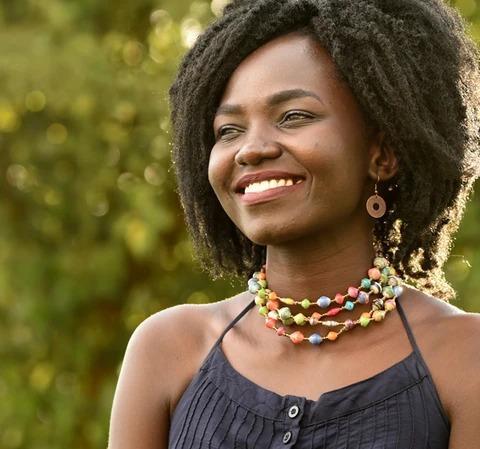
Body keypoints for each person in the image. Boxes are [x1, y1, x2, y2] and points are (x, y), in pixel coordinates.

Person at [108, 0, 480, 448]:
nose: (251, 149)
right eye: (228, 130)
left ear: (382, 154)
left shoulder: (464, 358)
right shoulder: (169, 349)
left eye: (293, 116)